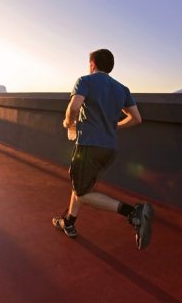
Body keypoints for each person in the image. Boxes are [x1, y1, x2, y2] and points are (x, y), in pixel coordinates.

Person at [52, 49, 154, 250]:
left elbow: (74, 107)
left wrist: (68, 123)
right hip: (109, 149)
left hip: (89, 146)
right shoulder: (122, 89)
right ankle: (69, 222)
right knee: (81, 183)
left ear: (92, 64)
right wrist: (115, 126)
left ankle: (132, 213)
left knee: (82, 192)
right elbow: (136, 118)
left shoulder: (85, 81)